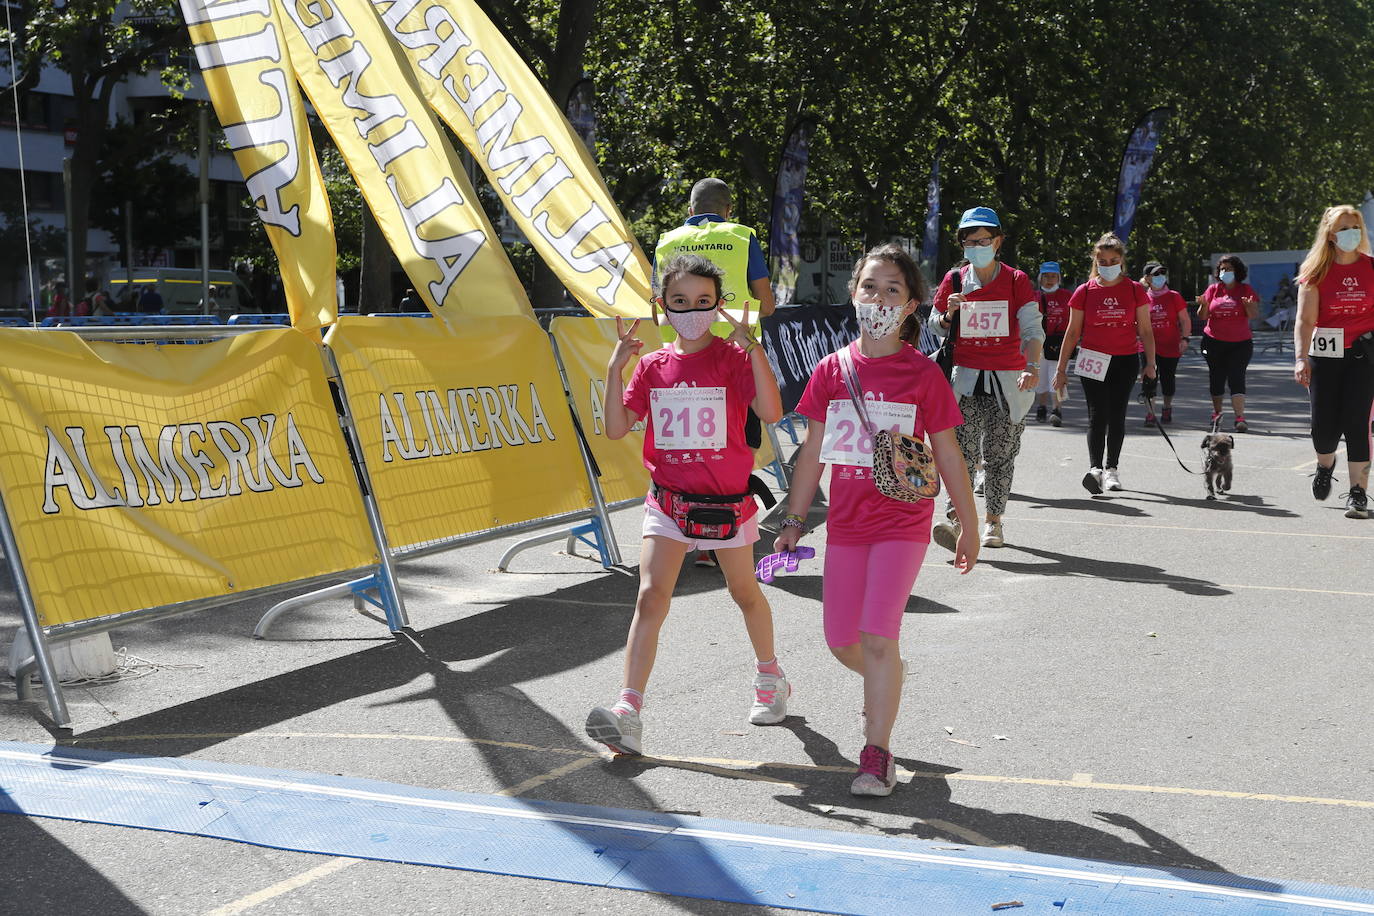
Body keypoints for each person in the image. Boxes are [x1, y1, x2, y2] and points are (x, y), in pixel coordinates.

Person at [775, 243, 977, 797]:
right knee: (842, 640)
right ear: (853, 293)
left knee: (877, 633)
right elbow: (812, 453)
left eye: (893, 290)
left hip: (903, 521)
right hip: (846, 524)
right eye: (870, 287)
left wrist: (969, 523)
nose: (879, 298)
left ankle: (876, 753)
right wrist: (794, 518)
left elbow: (950, 453)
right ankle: (890, 678)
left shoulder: (923, 375)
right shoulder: (831, 370)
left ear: (912, 305)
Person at [585, 254, 787, 756]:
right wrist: (615, 368)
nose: (692, 310)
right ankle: (628, 710)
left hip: (727, 504)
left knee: (745, 594)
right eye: (680, 302)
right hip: (669, 503)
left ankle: (771, 676)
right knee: (651, 597)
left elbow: (773, 411)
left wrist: (754, 349)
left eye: (703, 301)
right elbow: (614, 427)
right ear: (662, 307)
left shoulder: (734, 358)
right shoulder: (653, 367)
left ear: (719, 305)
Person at [655, 177, 776, 568]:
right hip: (731, 360)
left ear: (690, 211)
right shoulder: (741, 237)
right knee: (737, 447)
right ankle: (718, 539)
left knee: (688, 449)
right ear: (728, 211)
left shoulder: (667, 241)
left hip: (680, 363)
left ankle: (681, 534)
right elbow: (767, 304)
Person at [929, 207, 1044, 549]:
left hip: (1009, 382)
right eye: (969, 240)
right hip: (964, 379)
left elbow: (1032, 329)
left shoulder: (1016, 280)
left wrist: (1032, 366)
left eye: (983, 240)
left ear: (997, 241)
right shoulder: (954, 280)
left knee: (1000, 453)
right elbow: (934, 325)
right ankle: (956, 518)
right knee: (959, 453)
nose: (976, 245)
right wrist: (948, 313)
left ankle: (994, 521)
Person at [1051, 233, 1157, 493]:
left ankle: (1112, 470)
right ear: (1095, 261)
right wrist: (1061, 369)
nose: (1108, 265)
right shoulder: (1085, 291)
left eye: (1114, 260)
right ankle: (1095, 469)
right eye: (1103, 261)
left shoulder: (1134, 290)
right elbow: (1073, 332)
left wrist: (1150, 364)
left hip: (1125, 359)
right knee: (1097, 415)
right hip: (1092, 360)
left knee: (1117, 415)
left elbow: (1145, 330)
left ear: (1122, 261)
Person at [1293, 205, 1374, 519]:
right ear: (1329, 234)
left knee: (1357, 425)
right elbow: (1305, 320)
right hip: (1325, 356)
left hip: (1363, 357)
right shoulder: (1316, 273)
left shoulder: (1371, 267)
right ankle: (1324, 465)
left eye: (1355, 226)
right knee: (1323, 429)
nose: (1351, 233)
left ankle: (1358, 493)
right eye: (1343, 228)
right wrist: (1300, 358)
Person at [1197, 255, 1260, 431]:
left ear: (1237, 271)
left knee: (1236, 378)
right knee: (1216, 378)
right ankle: (1217, 414)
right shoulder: (1213, 289)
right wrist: (1203, 305)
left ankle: (1240, 418)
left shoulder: (1245, 289)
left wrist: (1248, 306)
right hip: (1213, 342)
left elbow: (1254, 314)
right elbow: (1202, 316)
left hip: (1240, 343)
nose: (1225, 272)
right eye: (1222, 269)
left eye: (1229, 269)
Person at [1139, 262, 1191, 426]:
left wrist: (1185, 338)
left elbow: (1184, 319)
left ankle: (1167, 407)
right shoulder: (1142, 298)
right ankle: (1150, 413)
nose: (1160, 277)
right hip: (1147, 346)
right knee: (1149, 379)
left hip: (1170, 345)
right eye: (1156, 274)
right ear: (1147, 278)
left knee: (1168, 379)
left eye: (1162, 273)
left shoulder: (1174, 296)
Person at [1034, 261, 1072, 426]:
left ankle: (1057, 409)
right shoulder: (1033, 296)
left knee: (1057, 377)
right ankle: (1041, 407)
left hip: (1060, 343)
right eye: (1046, 276)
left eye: (1053, 276)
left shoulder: (1067, 296)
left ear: (1059, 278)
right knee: (1040, 379)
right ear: (1040, 278)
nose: (1050, 280)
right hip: (1038, 343)